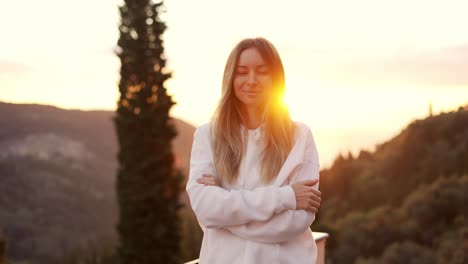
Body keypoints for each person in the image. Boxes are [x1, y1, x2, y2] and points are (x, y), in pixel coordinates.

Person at [186, 37, 322, 264]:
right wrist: (285, 197)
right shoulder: (206, 136)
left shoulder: (300, 136)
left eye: (262, 71)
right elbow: (205, 207)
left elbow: (295, 222)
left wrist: (224, 215)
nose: (251, 80)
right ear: (230, 77)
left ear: (275, 78)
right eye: (241, 71)